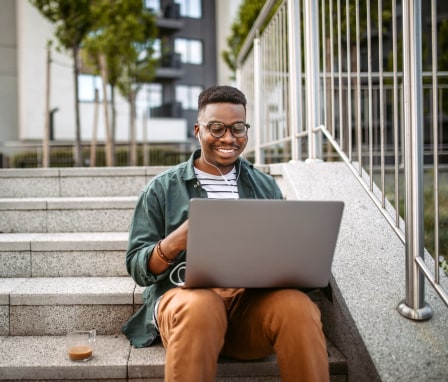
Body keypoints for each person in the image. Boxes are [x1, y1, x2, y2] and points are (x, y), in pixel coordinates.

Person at [122, 85, 329, 382]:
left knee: (297, 306)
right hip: (187, 304)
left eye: (238, 128)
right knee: (202, 305)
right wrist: (177, 240)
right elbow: (137, 267)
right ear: (198, 130)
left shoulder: (265, 186)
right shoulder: (162, 189)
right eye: (216, 128)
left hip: (249, 309)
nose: (229, 138)